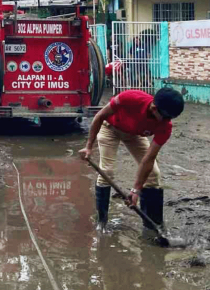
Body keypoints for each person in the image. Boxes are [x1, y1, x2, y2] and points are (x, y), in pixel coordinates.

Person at [78, 87, 185, 232]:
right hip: (110, 128)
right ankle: (102, 221)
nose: (168, 121)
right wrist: (89, 147)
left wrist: (136, 190)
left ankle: (153, 227)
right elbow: (100, 116)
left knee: (153, 174)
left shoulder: (165, 127)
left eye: (171, 118)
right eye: (166, 117)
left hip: (134, 135)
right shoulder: (130, 97)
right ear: (154, 108)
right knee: (107, 171)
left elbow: (148, 159)